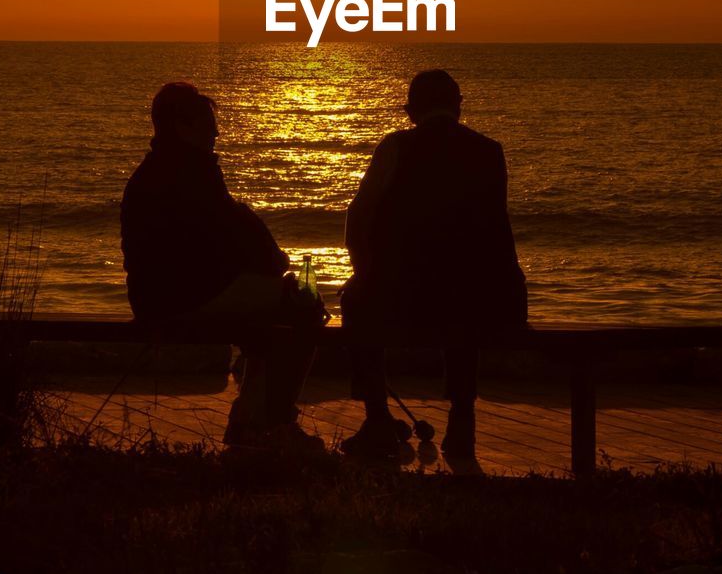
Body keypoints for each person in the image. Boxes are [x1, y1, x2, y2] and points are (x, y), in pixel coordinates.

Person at [120, 81, 323, 449]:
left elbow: (225, 238)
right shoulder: (193, 173)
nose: (216, 131)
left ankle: (251, 418)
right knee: (304, 303)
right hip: (184, 300)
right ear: (183, 126)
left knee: (268, 316)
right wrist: (272, 260)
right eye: (208, 123)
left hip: (158, 297)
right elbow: (239, 239)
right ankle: (274, 423)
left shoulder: (152, 172)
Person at [340, 69, 527, 459]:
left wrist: (362, 272)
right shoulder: (489, 150)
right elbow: (496, 229)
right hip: (473, 295)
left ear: (410, 111)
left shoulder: (395, 146)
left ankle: (376, 418)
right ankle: (462, 418)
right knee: (463, 295)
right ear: (458, 107)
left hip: (404, 296)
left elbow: (359, 215)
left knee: (355, 303)